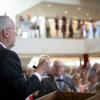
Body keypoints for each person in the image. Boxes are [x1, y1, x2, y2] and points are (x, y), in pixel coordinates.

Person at [0, 16, 49, 100]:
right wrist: (40, 71)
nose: (16, 34)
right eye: (14, 30)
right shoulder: (8, 55)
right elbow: (22, 91)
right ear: (6, 33)